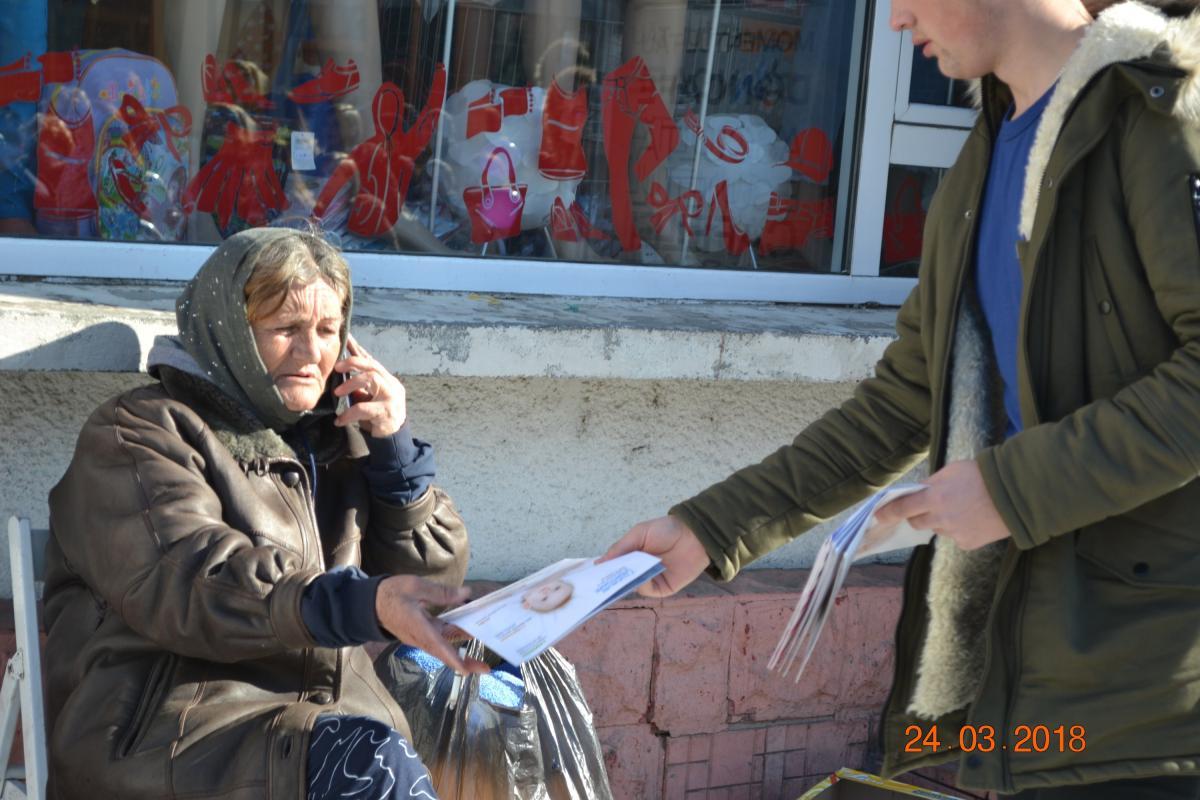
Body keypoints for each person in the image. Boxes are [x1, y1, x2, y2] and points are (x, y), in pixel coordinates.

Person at [605, 0, 1200, 797]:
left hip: (1156, 708)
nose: (892, 20)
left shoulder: (1163, 120)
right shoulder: (988, 151)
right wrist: (712, 528)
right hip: (1036, 689)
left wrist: (1009, 489)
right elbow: (904, 400)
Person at [43, 227, 487, 799]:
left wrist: (394, 454)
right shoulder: (140, 432)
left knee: (507, 711)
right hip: (179, 738)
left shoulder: (334, 440)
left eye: (328, 330)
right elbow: (195, 578)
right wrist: (356, 602)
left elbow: (430, 590)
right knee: (370, 766)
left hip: (322, 730)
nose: (311, 353)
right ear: (231, 331)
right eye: (285, 329)